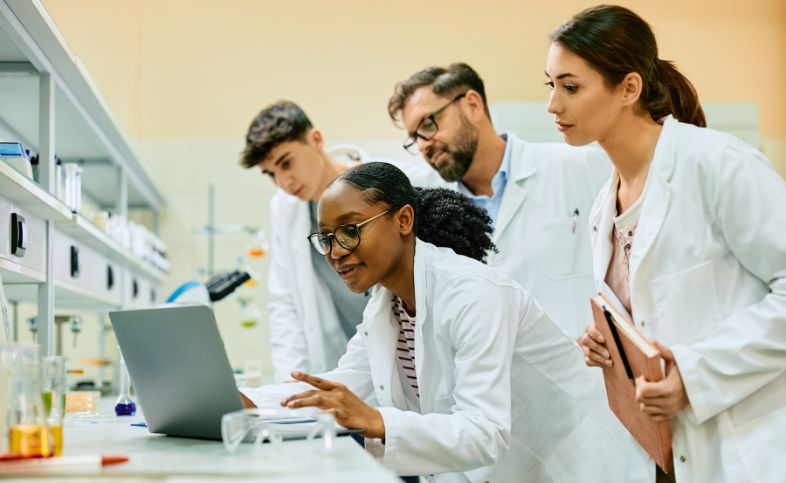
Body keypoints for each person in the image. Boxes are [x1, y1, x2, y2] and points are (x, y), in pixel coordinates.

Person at [242, 162, 646, 482]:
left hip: (578, 468)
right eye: (326, 238)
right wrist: (247, 403)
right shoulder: (387, 306)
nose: (335, 252)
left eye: (349, 231)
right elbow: (339, 386)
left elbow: (484, 430)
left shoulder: (472, 293)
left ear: (403, 220)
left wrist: (376, 420)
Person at [547, 5, 786, 482]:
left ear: (629, 88)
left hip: (744, 448)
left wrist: (696, 376)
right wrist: (611, 344)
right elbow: (655, 320)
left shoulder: (717, 165)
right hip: (663, 454)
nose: (553, 105)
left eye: (570, 87)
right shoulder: (604, 203)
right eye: (550, 85)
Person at [387, 63, 610, 338]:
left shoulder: (581, 167)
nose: (423, 145)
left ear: (473, 105)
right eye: (414, 138)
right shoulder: (431, 213)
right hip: (493, 377)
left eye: (428, 124)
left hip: (585, 371)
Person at [240, 101, 441, 381]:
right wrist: (290, 383)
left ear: (316, 140)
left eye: (287, 163)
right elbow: (285, 300)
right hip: (347, 360)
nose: (284, 181)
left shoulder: (399, 184)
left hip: (412, 350)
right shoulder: (286, 209)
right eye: (271, 174)